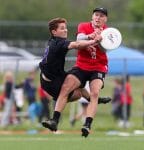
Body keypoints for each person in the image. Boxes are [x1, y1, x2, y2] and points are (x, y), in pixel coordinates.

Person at [43, 7, 110, 137]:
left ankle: (87, 125)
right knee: (66, 87)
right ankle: (54, 120)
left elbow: (105, 49)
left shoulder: (108, 32)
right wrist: (90, 36)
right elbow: (79, 38)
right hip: (81, 66)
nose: (98, 17)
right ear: (92, 17)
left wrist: (100, 40)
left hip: (98, 67)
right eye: (96, 15)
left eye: (101, 16)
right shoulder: (84, 26)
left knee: (95, 92)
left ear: (105, 19)